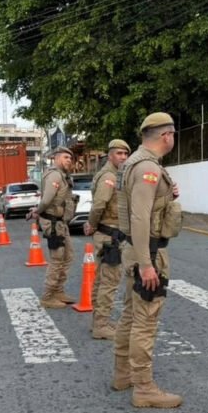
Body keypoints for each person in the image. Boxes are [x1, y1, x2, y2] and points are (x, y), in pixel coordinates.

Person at [112, 112, 183, 408]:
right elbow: (140, 217)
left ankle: (122, 374)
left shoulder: (137, 164)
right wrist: (146, 263)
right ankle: (144, 388)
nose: (173, 139)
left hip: (138, 248)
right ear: (166, 136)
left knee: (131, 314)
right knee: (145, 319)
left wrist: (168, 195)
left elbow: (146, 205)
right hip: (148, 251)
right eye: (173, 134)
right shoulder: (146, 169)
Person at [83, 139, 131, 340]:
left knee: (103, 279)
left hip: (109, 234)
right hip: (110, 235)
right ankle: (101, 325)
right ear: (110, 155)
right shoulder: (109, 177)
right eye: (119, 153)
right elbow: (100, 204)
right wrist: (91, 223)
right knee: (109, 281)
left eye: (125, 154)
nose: (123, 157)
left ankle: (98, 322)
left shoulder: (115, 175)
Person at [28, 146, 77, 308]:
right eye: (65, 157)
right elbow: (47, 199)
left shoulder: (64, 176)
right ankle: (47, 296)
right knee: (57, 259)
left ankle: (58, 291)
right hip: (54, 223)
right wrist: (37, 211)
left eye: (70, 158)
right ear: (55, 158)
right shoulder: (55, 175)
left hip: (62, 223)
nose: (68, 161)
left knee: (68, 256)